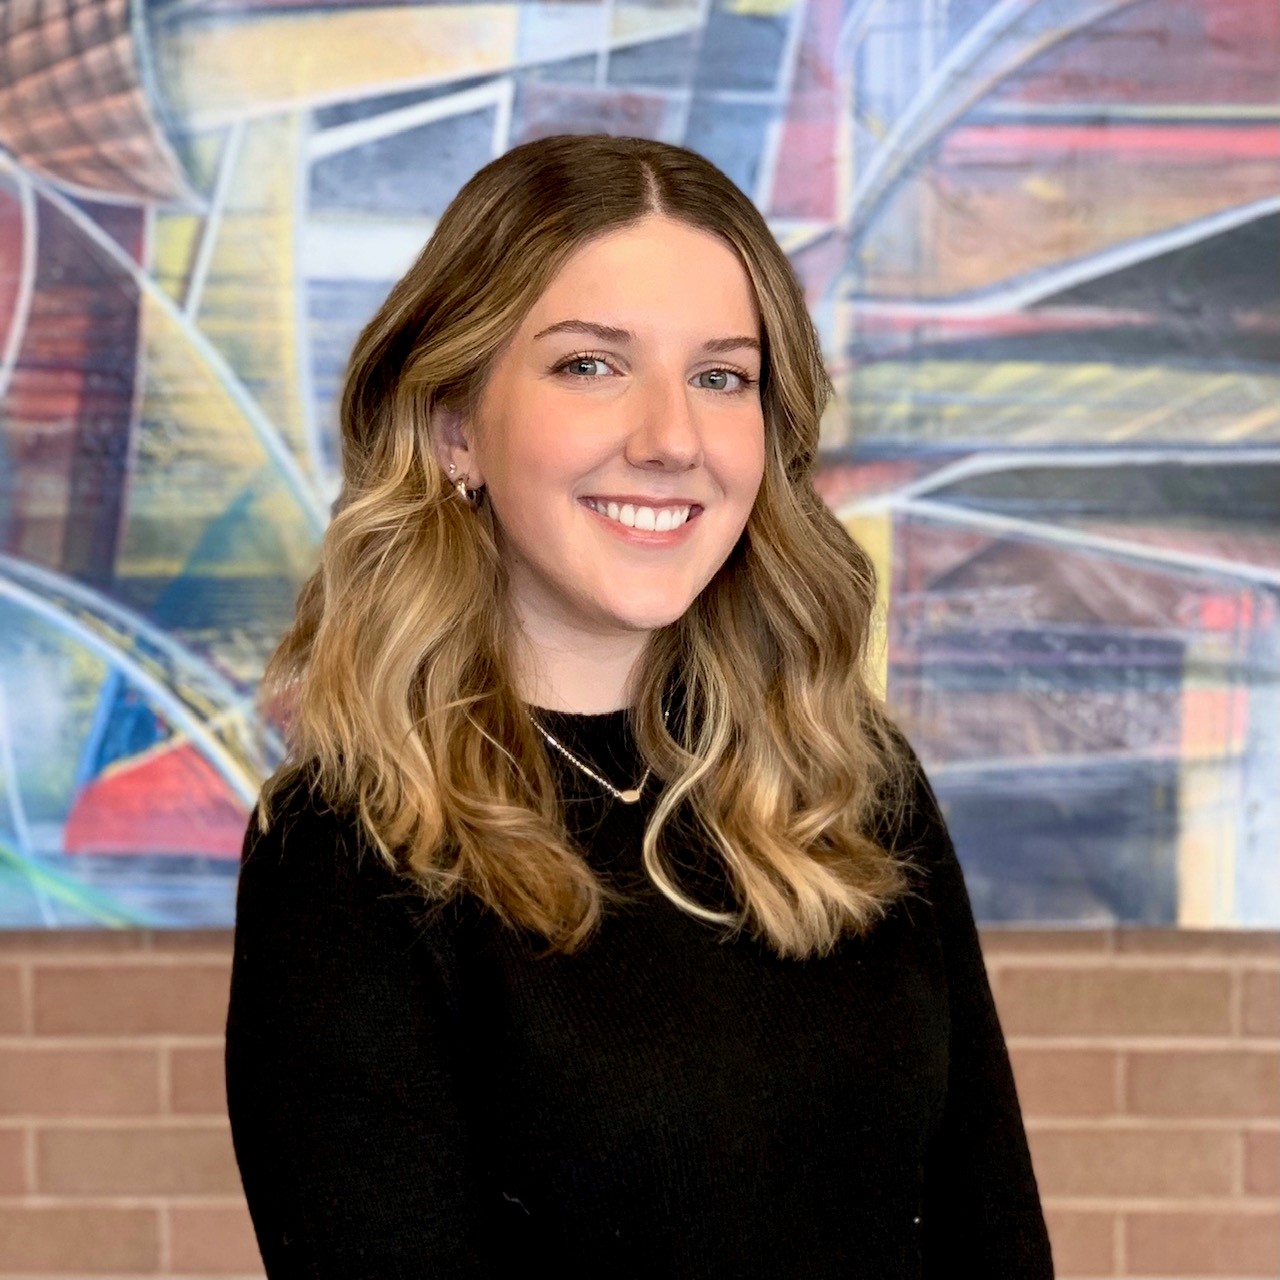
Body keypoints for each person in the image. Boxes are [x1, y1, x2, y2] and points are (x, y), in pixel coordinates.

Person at [224, 133, 1053, 1278]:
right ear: (455, 425)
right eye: (590, 364)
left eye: (720, 376)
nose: (671, 440)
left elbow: (992, 1230)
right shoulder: (347, 849)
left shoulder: (847, 777)